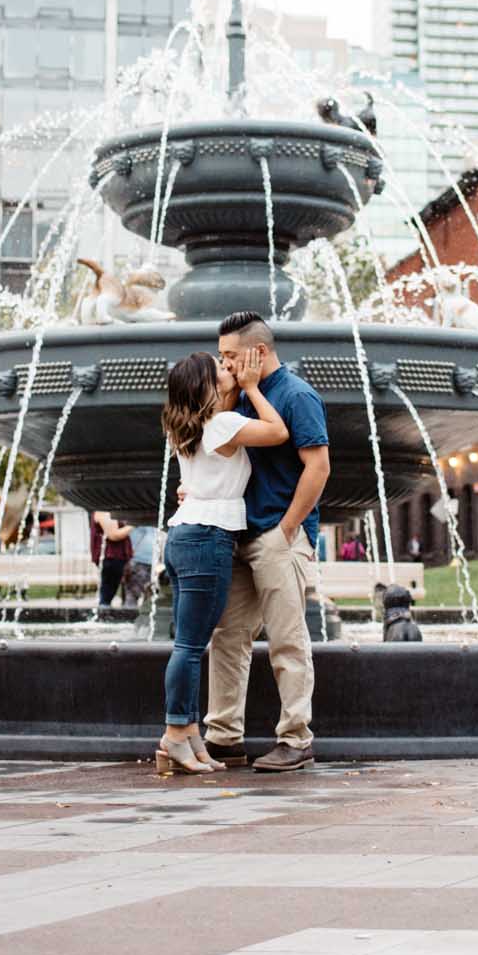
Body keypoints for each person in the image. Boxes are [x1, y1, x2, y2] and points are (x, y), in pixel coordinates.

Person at [203, 311, 330, 773]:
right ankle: (223, 737)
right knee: (227, 638)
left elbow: (319, 468)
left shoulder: (296, 395)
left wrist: (288, 530)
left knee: (287, 640)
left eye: (231, 356)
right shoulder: (235, 398)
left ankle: (296, 738)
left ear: (259, 352)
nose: (226, 364)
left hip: (278, 535)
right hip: (237, 534)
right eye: (223, 357)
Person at [154, 346, 287, 775]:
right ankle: (175, 735)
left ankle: (190, 736)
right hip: (207, 538)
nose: (227, 369)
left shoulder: (192, 426)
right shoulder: (223, 424)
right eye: (219, 370)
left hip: (186, 535)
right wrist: (251, 386)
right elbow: (277, 431)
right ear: (205, 387)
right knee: (190, 647)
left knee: (191, 645)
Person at [91, 512, 132, 606]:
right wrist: (134, 525)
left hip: (115, 556)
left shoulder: (109, 510)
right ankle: (102, 615)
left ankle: (103, 613)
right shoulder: (103, 511)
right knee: (107, 592)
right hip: (111, 556)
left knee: (109, 590)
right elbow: (114, 535)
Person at [123, 522, 157, 607]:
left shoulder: (153, 520)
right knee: (133, 594)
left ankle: (143, 617)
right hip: (137, 560)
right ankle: (129, 617)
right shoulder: (134, 519)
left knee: (149, 593)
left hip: (150, 561)